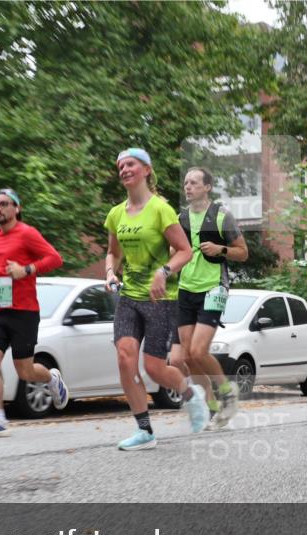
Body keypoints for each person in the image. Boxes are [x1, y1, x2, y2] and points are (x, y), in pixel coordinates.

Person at [104, 148, 210, 451]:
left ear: (146, 170)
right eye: (121, 166)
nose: (124, 169)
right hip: (129, 297)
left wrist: (163, 272)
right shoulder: (116, 214)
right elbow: (113, 253)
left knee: (154, 368)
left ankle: (189, 393)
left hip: (160, 300)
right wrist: (110, 272)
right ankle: (144, 430)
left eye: (131, 164)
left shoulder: (160, 209)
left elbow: (185, 251)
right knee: (125, 359)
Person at [0, 188, 69, 438]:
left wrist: (26, 270)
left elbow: (55, 259)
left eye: (4, 204)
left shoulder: (27, 233)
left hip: (24, 312)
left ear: (17, 208)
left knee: (25, 371)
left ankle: (52, 378)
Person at [175, 167, 249, 430]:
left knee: (198, 350)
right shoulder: (181, 218)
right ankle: (212, 407)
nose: (188, 186)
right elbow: (174, 251)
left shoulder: (221, 216)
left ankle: (227, 392)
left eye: (194, 182)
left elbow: (243, 252)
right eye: (186, 182)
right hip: (186, 288)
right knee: (187, 357)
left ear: (207, 187)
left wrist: (221, 249)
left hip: (213, 288)